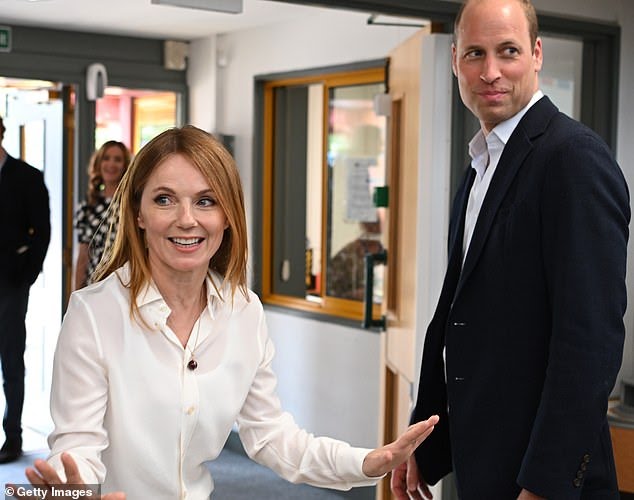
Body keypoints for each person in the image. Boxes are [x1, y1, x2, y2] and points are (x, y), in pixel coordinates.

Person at [22, 126, 439, 499]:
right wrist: (71, 494)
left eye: (206, 201)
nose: (187, 220)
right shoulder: (94, 313)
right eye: (165, 199)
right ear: (138, 214)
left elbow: (273, 437)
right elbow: (75, 449)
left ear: (227, 218)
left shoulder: (243, 311)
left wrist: (368, 463)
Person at [391, 0, 630, 499]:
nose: (491, 71)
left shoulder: (573, 158)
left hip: (539, 477)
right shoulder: (480, 164)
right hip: (486, 463)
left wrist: (545, 483)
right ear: (455, 60)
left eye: (508, 51)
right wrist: (424, 440)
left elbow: (589, 340)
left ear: (537, 54)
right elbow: (457, 316)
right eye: (475, 54)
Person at [0, 116, 51, 464]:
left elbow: (42, 232)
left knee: (11, 362)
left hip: (10, 285)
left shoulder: (27, 177)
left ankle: (13, 437)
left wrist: (26, 276)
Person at [74, 140, 131, 289]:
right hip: (95, 283)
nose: (111, 164)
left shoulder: (133, 204)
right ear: (99, 163)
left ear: (125, 165)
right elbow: (83, 255)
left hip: (126, 282)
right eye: (106, 158)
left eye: (117, 159)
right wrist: (76, 294)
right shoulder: (87, 206)